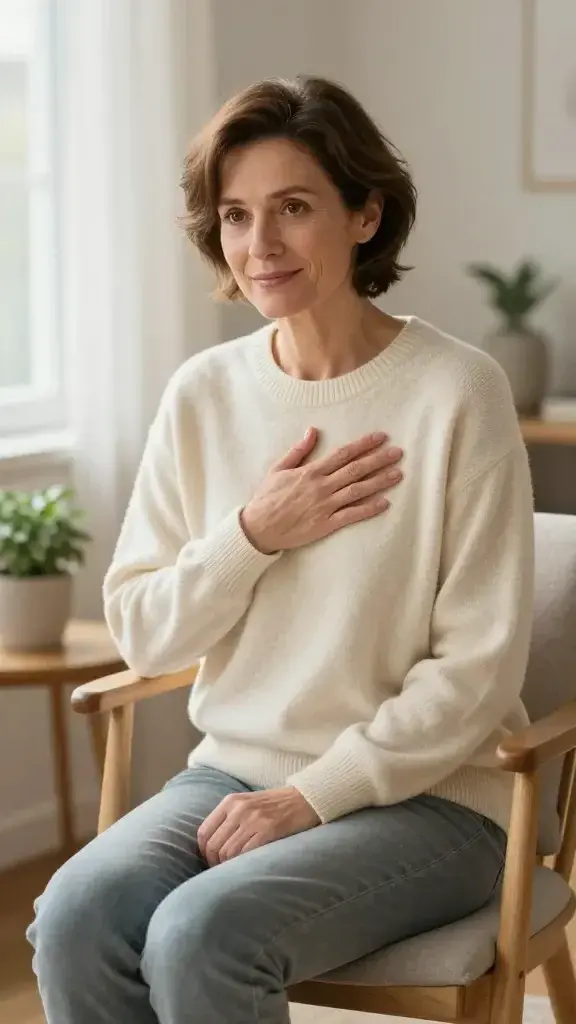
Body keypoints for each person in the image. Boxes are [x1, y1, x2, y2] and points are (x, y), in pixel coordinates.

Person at [27, 75, 535, 1024]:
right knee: (74, 917)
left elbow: (475, 670)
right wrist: (253, 535)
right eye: (235, 215)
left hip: (434, 799)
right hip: (231, 776)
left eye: (293, 208)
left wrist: (310, 797)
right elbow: (142, 631)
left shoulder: (457, 391)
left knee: (200, 935)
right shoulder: (203, 394)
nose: (259, 246)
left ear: (364, 214)